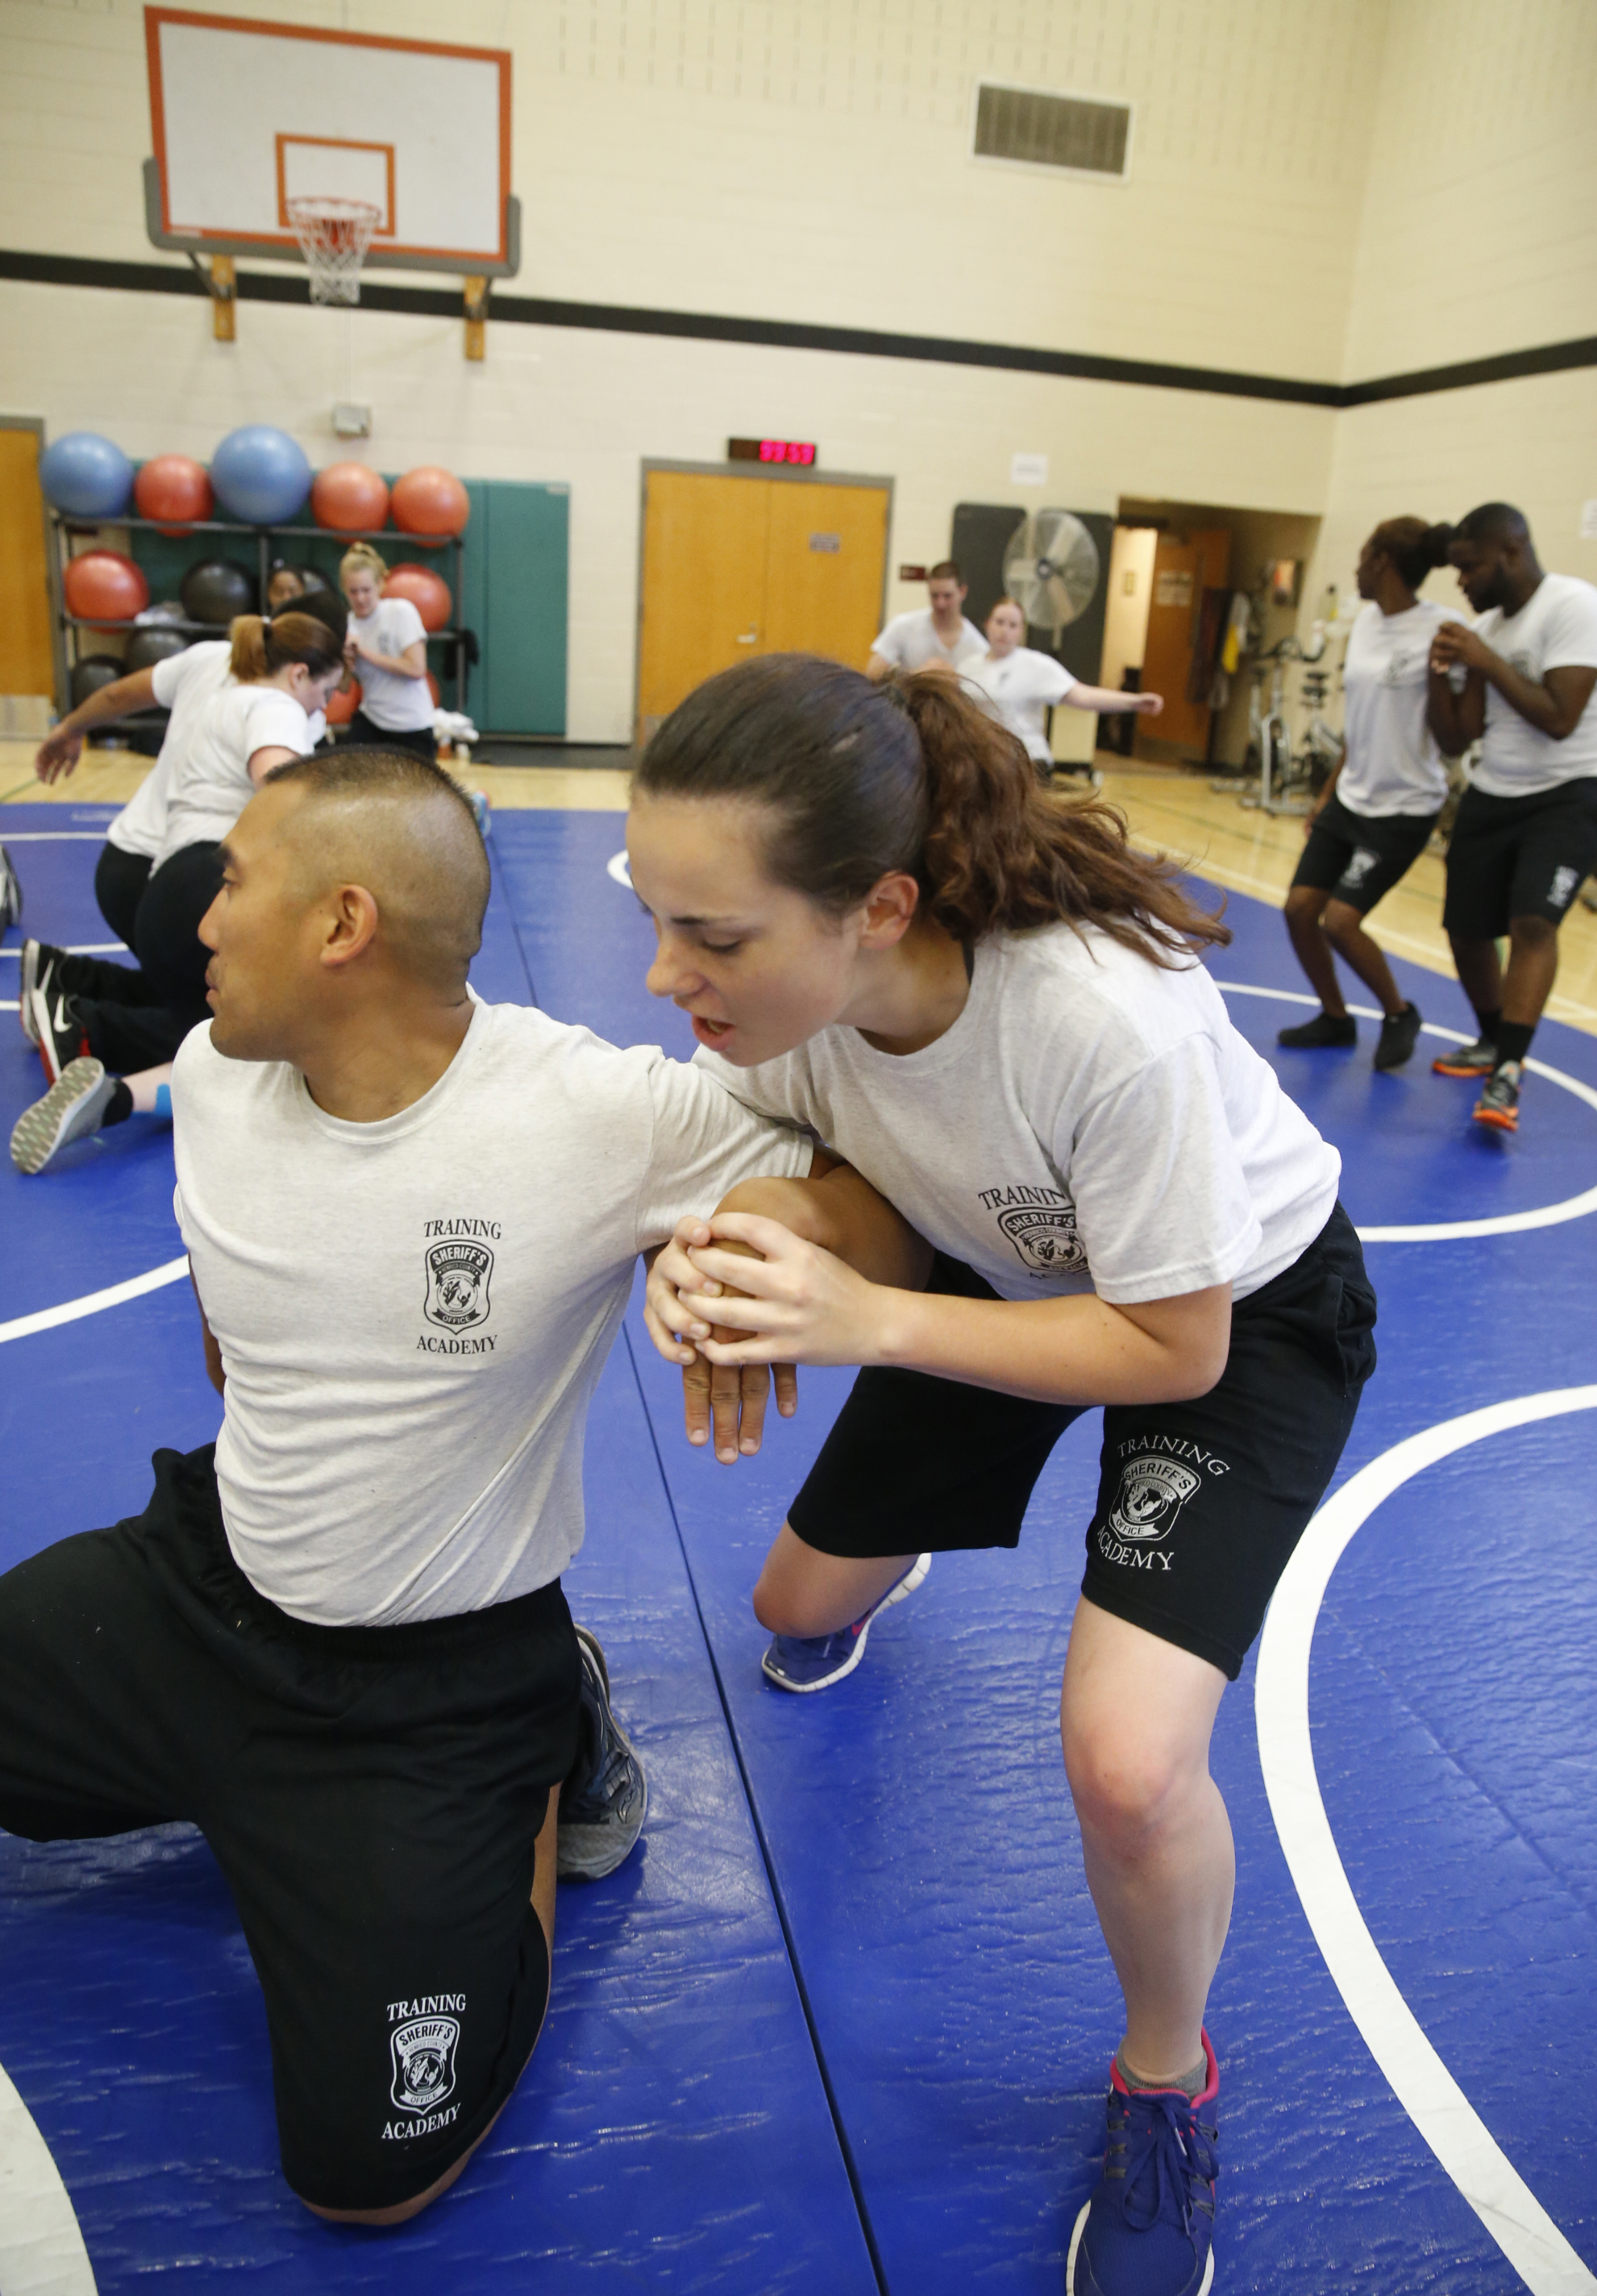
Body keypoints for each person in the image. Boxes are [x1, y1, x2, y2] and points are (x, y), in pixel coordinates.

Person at [0, 745, 918, 2222]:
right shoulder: (228, 1077)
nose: (201, 922)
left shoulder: (585, 1109)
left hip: (433, 1683)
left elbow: (876, 1205)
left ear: (344, 924)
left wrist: (744, 1236)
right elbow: (237, 1339)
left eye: (234, 885)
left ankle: (549, 1743)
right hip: (203, 1588)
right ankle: (248, 1794)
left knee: (375, 2182)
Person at [628, 655, 1377, 2296]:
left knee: (1123, 1762)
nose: (670, 970)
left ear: (878, 904)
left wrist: (866, 1313)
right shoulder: (794, 1009)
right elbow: (850, 1180)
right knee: (790, 1606)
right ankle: (886, 1553)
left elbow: (1171, 1346)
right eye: (656, 915)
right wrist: (749, 1245)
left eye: (717, 936)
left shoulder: (1100, 1023)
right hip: (993, 1270)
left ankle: (1164, 2079)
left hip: (1228, 1318)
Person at [12, 612, 344, 1175]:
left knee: (212, 1014)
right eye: (326, 692)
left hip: (162, 888)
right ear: (299, 673)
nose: (323, 708)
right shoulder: (276, 708)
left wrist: (71, 727)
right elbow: (281, 789)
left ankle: (80, 1010)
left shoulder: (221, 688)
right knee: (258, 1036)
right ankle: (97, 1050)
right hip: (207, 886)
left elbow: (120, 694)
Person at [1426, 503, 1597, 1132]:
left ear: (1512, 553)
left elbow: (1559, 718)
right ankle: (1494, 1039)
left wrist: (1486, 658)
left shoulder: (1574, 607)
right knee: (1467, 931)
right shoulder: (1487, 628)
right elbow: (1459, 735)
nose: (1461, 581)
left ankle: (1509, 1071)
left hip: (1569, 792)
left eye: (1470, 567)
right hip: (1494, 791)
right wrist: (1440, 677)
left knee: (1532, 924)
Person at [1277, 518, 1464, 1071]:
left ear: (1382, 562)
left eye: (1361, 556)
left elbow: (1458, 728)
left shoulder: (1444, 628)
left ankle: (1399, 1012)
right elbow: (1360, 724)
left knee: (1340, 921)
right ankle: (1336, 1018)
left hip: (1404, 808)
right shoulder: (1363, 624)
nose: (1355, 568)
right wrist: (1327, 794)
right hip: (1350, 797)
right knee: (1298, 909)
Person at [965, 596, 1164, 782]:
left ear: (1021, 631)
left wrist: (1134, 702)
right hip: (983, 762)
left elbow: (1083, 696)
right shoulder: (968, 666)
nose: (1005, 631)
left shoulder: (1036, 665)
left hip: (1027, 763)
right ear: (988, 624)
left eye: (1013, 625)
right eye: (999, 622)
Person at [339, 542, 438, 759]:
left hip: (412, 725)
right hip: (372, 719)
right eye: (353, 592)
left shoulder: (400, 612)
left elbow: (416, 668)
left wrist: (364, 652)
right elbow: (344, 687)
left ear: (380, 585)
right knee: (347, 776)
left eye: (366, 590)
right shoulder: (347, 625)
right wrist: (347, 662)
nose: (360, 598)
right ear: (344, 589)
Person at [867, 561, 986, 680]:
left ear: (963, 592)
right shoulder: (903, 625)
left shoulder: (978, 647)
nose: (941, 604)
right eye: (935, 596)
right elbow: (873, 672)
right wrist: (919, 675)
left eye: (947, 596)